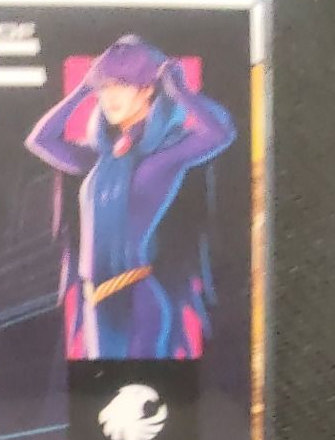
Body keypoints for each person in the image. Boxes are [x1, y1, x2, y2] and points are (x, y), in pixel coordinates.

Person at [24, 36, 237, 361]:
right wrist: (82, 90)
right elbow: (40, 140)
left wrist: (179, 91)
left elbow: (221, 134)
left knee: (143, 387)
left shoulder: (162, 156)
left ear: (148, 89)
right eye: (104, 87)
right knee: (101, 389)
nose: (109, 96)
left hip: (137, 297)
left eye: (122, 85)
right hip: (97, 299)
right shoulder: (101, 158)